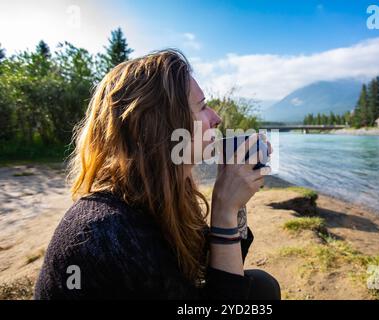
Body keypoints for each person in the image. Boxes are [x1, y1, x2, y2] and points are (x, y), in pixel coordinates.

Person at [34, 49, 281, 300]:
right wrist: (224, 209)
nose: (216, 118)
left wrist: (236, 200)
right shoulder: (109, 232)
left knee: (262, 286)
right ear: (161, 127)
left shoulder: (163, 193)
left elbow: (211, 266)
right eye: (203, 107)